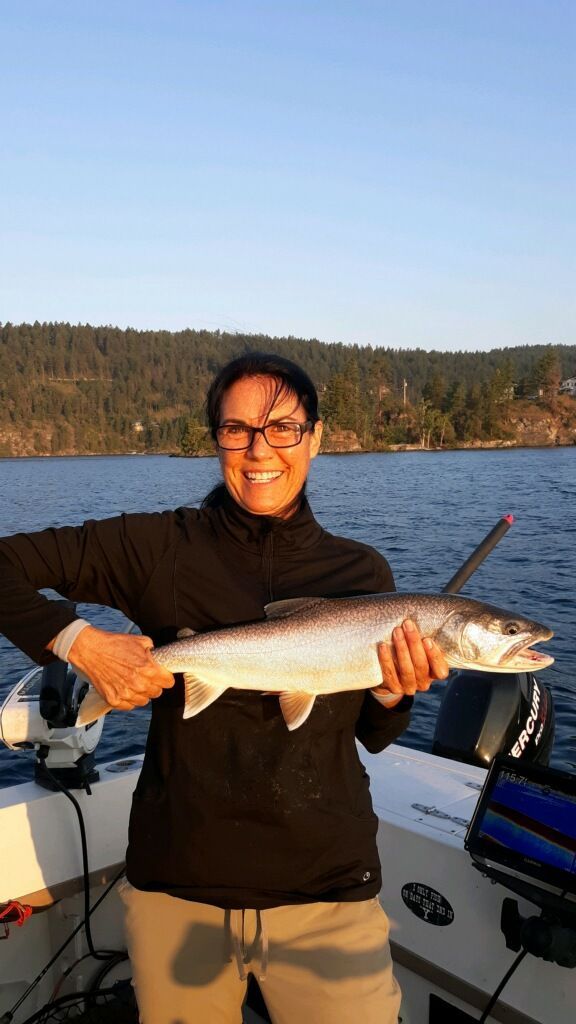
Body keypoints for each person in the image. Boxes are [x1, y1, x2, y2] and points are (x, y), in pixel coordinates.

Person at [0, 352, 448, 1024]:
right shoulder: (154, 546)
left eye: (283, 429)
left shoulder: (362, 571)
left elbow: (373, 734)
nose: (260, 449)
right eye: (237, 430)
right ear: (216, 441)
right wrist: (82, 644)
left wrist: (392, 692)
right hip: (178, 891)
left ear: (315, 437)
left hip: (328, 890)